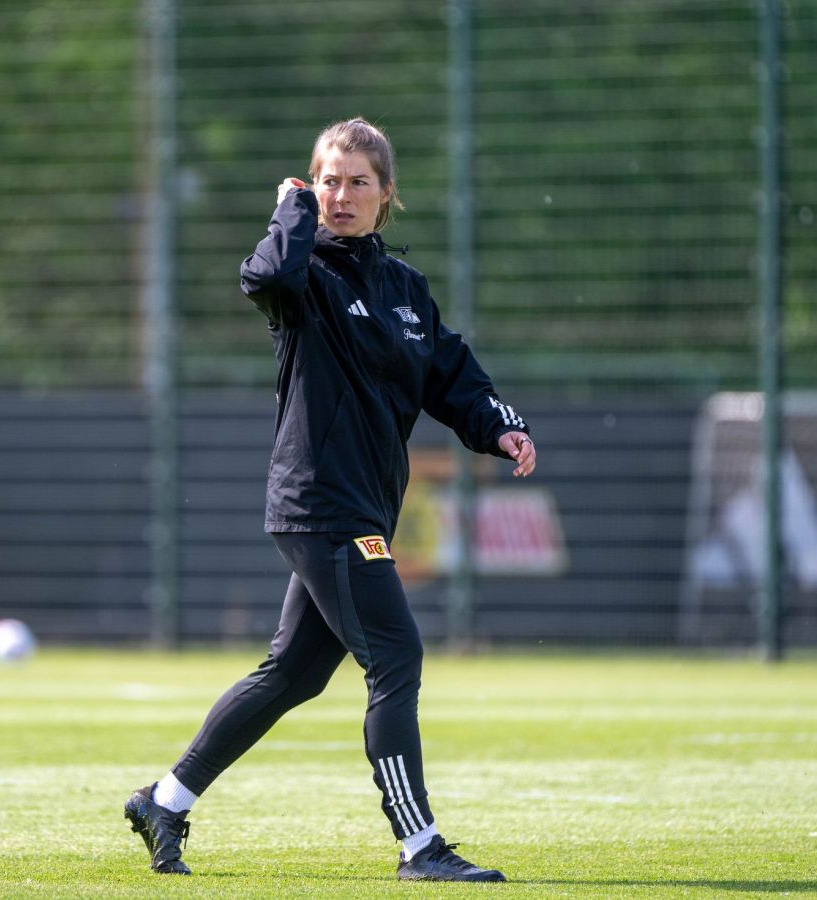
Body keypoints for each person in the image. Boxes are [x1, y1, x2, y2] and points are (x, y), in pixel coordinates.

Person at [124, 117, 536, 882]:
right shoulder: (303, 271)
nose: (340, 196)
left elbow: (453, 377)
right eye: (327, 180)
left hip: (363, 505)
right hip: (323, 503)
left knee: (294, 674)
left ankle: (164, 801)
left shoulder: (406, 291)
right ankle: (420, 848)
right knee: (396, 656)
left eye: (357, 183)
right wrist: (291, 210)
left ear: (388, 197)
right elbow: (265, 279)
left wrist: (500, 429)